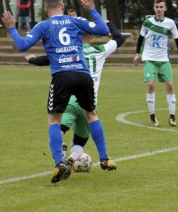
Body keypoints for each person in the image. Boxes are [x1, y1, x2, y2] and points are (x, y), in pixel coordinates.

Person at [1, 0, 110, 183]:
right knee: (91, 113)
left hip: (62, 76)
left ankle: (59, 162)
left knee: (54, 120)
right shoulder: (76, 21)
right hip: (83, 74)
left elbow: (23, 45)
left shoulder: (43, 25)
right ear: (63, 5)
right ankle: (104, 158)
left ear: (45, 9)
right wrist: (91, 9)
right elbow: (103, 29)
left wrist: (11, 28)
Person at [28, 22, 125, 170]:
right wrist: (108, 24)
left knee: (57, 128)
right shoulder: (100, 50)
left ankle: (60, 158)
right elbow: (119, 38)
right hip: (90, 100)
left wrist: (32, 59)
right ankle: (76, 158)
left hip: (70, 100)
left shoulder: (71, 50)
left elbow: (46, 59)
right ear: (91, 40)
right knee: (79, 141)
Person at [133, 0, 178, 127]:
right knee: (150, 85)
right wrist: (137, 53)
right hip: (149, 58)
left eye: (161, 7)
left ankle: (172, 117)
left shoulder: (170, 23)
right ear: (154, 8)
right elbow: (140, 38)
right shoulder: (147, 22)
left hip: (163, 59)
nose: (159, 9)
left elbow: (177, 39)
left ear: (165, 8)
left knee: (170, 86)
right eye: (157, 7)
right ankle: (152, 116)